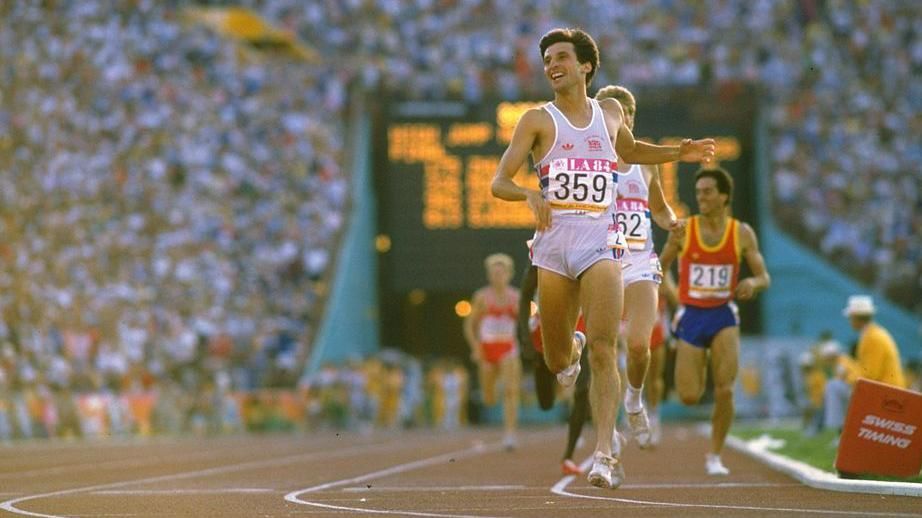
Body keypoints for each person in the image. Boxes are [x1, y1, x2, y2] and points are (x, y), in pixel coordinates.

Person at [491, 27, 715, 489]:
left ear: (586, 66)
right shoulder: (537, 119)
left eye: (561, 58)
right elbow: (499, 182)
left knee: (603, 347)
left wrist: (680, 152)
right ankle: (565, 350)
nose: (552, 65)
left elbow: (630, 150)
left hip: (601, 239)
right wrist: (529, 195)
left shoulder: (610, 112)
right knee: (558, 360)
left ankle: (603, 455)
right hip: (554, 245)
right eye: (547, 59)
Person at [659, 166, 770, 476]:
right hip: (691, 315)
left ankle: (715, 455)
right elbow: (659, 268)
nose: (701, 197)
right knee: (689, 396)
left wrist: (753, 284)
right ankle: (699, 362)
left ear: (724, 196)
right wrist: (674, 297)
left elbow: (764, 276)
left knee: (725, 390)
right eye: (698, 193)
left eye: (707, 192)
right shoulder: (684, 230)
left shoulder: (741, 233)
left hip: (723, 314)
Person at [594, 84, 684, 449]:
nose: (621, 120)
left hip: (639, 262)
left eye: (627, 114)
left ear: (631, 118)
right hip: (601, 262)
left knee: (638, 347)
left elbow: (660, 210)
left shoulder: (646, 165)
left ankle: (634, 398)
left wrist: (673, 221)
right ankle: (606, 431)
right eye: (614, 114)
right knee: (600, 353)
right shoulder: (594, 159)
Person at [516, 260, 590, 475]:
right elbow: (524, 297)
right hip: (546, 332)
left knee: (583, 390)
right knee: (546, 402)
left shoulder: (591, 250)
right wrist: (525, 338)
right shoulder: (541, 253)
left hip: (581, 327)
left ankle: (568, 455)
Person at [463, 253, 523, 450]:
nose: (498, 277)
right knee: (489, 396)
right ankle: (491, 393)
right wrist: (476, 348)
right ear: (489, 276)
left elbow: (525, 325)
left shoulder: (516, 297)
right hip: (487, 348)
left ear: (509, 274)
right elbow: (469, 325)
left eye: (502, 273)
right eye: (494, 273)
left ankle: (510, 434)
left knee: (510, 390)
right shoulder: (482, 297)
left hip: (507, 347)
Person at [842, 295, 906, 388]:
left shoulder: (873, 338)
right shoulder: (873, 334)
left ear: (856, 317)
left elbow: (869, 375)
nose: (850, 321)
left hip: (887, 392)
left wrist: (846, 376)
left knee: (835, 386)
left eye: (851, 318)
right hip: (888, 390)